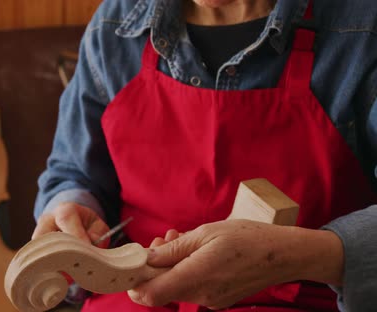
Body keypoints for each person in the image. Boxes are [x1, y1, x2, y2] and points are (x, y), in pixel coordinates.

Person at [32, 0, 377, 311]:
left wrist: (296, 256)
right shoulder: (116, 22)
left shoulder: (363, 28)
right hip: (136, 295)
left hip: (307, 297)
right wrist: (74, 210)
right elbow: (75, 172)